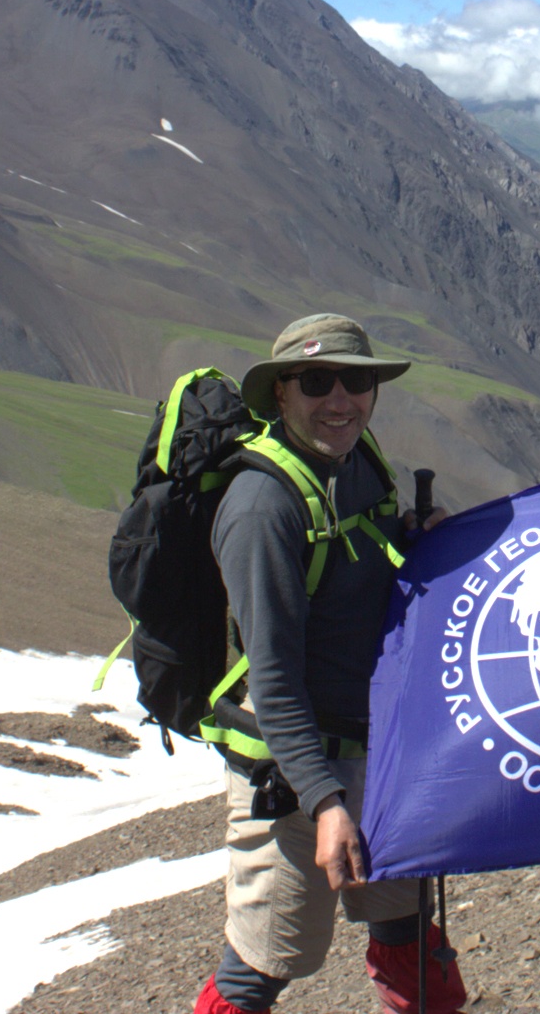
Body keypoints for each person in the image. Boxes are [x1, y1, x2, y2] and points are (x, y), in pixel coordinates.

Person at [194, 313, 470, 1014]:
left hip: (375, 748)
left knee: (406, 924)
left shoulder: (357, 462)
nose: (340, 398)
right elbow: (276, 680)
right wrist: (324, 802)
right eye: (318, 381)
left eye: (357, 380)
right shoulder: (262, 507)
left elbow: (357, 570)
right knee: (262, 965)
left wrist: (411, 537)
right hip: (292, 772)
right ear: (281, 393)